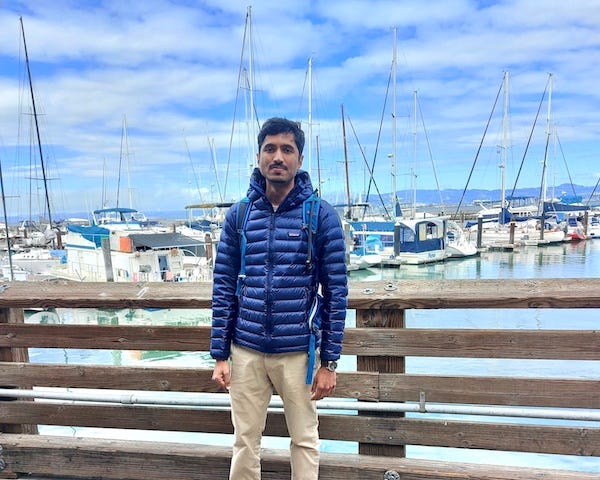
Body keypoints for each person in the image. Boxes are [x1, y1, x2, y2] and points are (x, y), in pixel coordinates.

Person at [210, 117, 348, 480]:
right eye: (270, 148)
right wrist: (220, 354)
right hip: (246, 350)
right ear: (258, 156)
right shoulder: (239, 216)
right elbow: (223, 285)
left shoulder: (321, 216)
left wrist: (329, 362)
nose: (278, 156)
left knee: (304, 440)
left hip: (299, 353)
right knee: (244, 441)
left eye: (287, 149)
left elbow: (336, 293)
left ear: (299, 160)